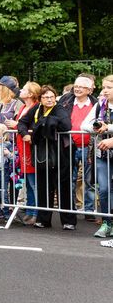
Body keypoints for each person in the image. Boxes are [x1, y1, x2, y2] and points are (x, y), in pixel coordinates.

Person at [18, 85, 75, 230]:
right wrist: (25, 133)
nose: (49, 100)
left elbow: (66, 125)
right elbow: (22, 122)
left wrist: (46, 122)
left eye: (51, 97)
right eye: (45, 97)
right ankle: (43, 220)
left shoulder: (60, 108)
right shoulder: (36, 109)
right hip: (42, 154)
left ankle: (68, 221)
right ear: (41, 99)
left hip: (60, 154)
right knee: (43, 186)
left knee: (63, 187)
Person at [58, 75, 97, 219]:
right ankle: (71, 209)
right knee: (70, 179)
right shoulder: (65, 101)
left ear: (89, 90)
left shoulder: (96, 104)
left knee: (89, 179)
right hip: (69, 145)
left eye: (81, 87)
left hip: (89, 147)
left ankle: (89, 210)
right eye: (76, 86)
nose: (77, 89)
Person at [82, 75, 113, 239]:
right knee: (104, 189)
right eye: (104, 87)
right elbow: (84, 125)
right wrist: (97, 128)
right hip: (103, 154)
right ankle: (107, 222)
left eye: (109, 87)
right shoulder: (99, 105)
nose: (105, 91)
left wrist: (110, 128)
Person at [5, 82, 41, 225]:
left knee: (33, 183)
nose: (21, 90)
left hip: (30, 147)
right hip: (22, 147)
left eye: (24, 89)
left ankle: (36, 212)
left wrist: (16, 125)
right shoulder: (25, 107)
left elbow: (31, 126)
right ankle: (31, 210)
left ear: (31, 94)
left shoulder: (35, 107)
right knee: (27, 182)